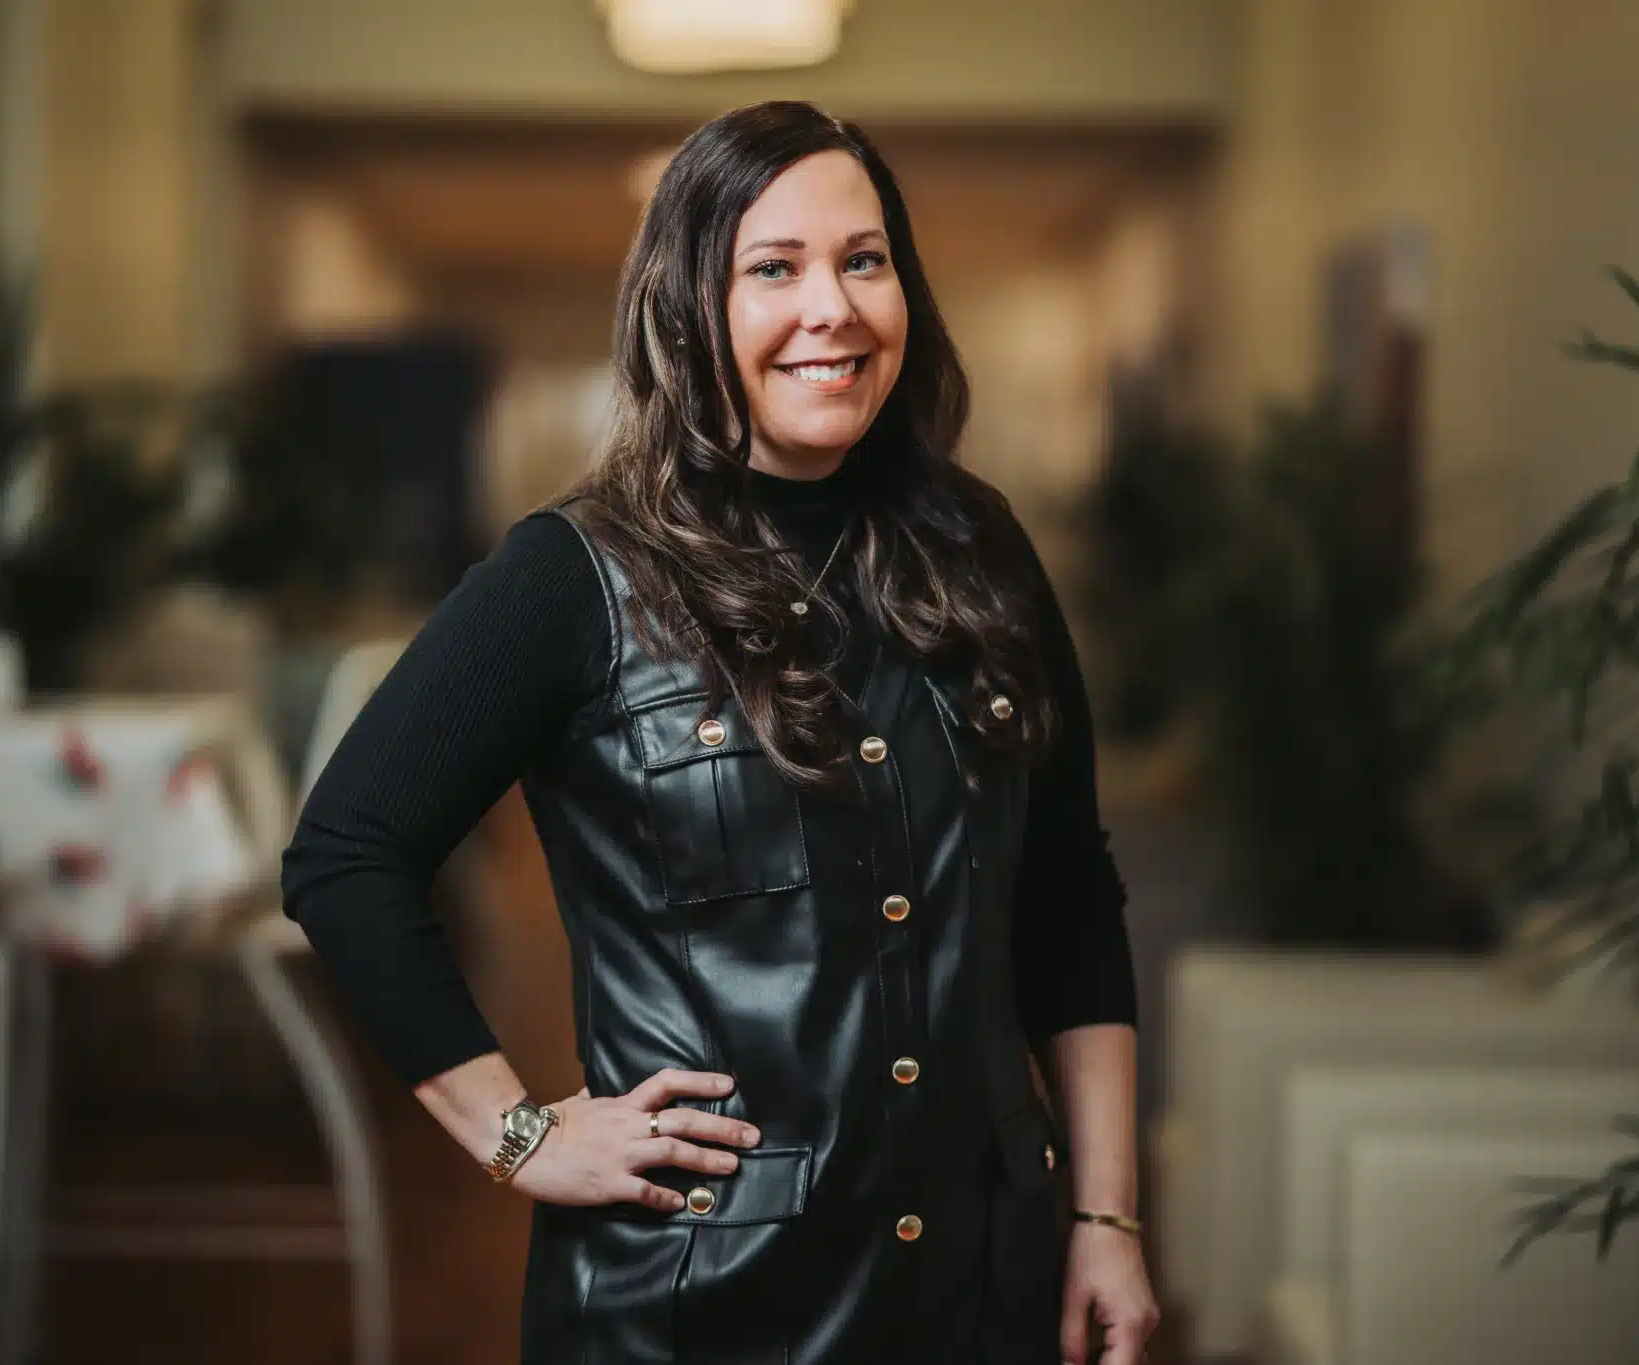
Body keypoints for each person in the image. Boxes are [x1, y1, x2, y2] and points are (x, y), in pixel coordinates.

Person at [282, 100, 1159, 1365]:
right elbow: (345, 853)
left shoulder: (984, 555)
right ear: (690, 305)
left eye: (864, 260)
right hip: (696, 1301)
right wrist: (517, 1134)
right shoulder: (570, 578)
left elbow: (1068, 896)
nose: (833, 309)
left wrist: (1102, 1212)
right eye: (772, 267)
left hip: (981, 1279)